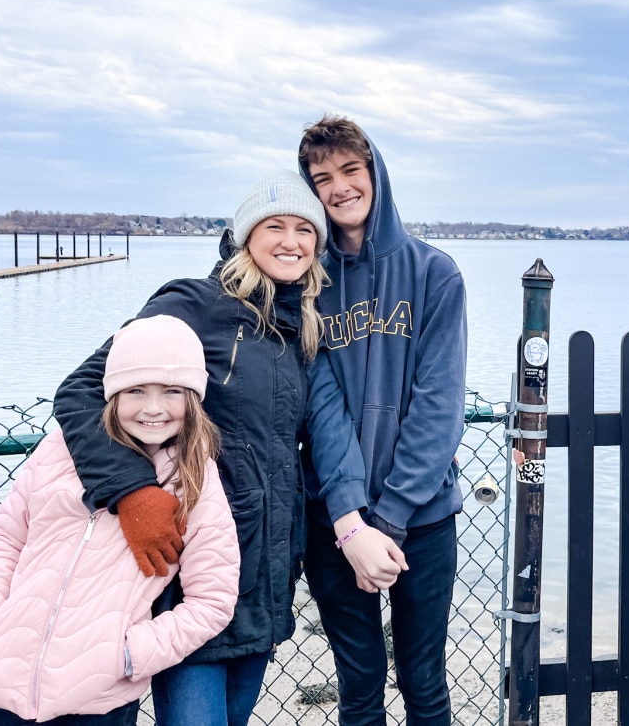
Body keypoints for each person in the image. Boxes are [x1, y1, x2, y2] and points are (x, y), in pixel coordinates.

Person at [51, 170, 401, 726]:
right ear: (246, 238)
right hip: (191, 565)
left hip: (263, 573)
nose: (291, 241)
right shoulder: (194, 304)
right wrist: (132, 490)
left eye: (304, 230)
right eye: (274, 227)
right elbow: (82, 390)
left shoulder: (301, 328)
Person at [0, 315, 240, 726]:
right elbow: (5, 542)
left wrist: (128, 655)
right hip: (3, 682)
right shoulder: (58, 451)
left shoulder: (193, 478)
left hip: (98, 700)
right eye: (136, 390)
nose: (154, 407)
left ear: (193, 400)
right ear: (112, 395)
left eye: (172, 391)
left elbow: (212, 601)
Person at [298, 117, 468, 726]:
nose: (339, 187)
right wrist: (352, 525)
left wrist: (391, 517)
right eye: (322, 179)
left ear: (375, 173)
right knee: (360, 685)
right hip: (333, 520)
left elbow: (438, 405)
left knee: (423, 680)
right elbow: (322, 413)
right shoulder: (308, 286)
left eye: (350, 170)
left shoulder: (434, 273)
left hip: (420, 517)